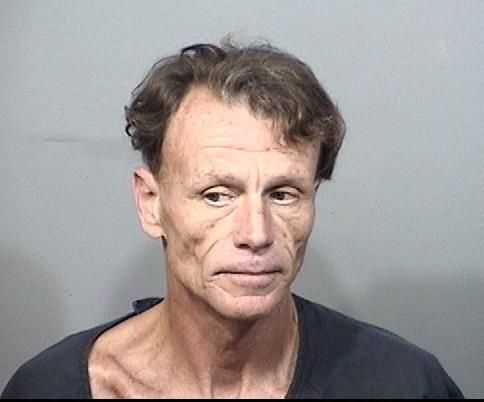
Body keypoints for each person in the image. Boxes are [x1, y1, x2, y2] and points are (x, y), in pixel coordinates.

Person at [2, 40, 464, 399]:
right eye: (217, 195)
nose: (256, 234)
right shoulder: (50, 389)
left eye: (283, 194)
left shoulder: (403, 383)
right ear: (150, 203)